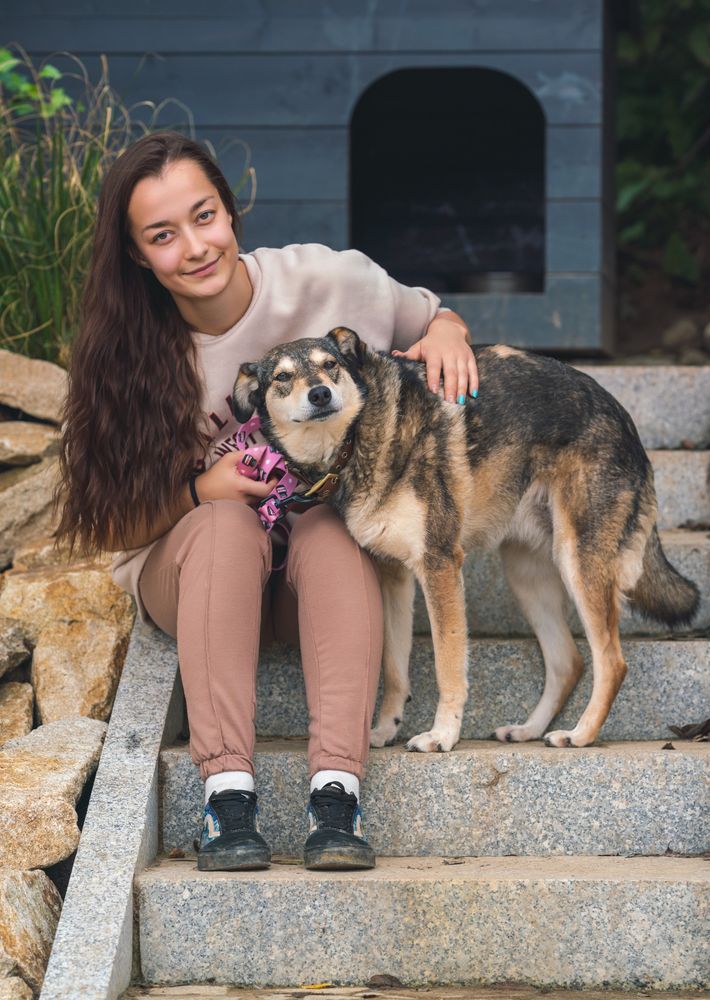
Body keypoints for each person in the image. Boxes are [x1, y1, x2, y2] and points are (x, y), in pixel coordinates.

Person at [54, 131, 478, 872]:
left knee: (332, 521)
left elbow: (429, 316)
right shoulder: (121, 355)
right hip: (191, 574)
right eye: (162, 235)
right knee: (223, 523)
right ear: (135, 255)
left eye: (205, 215)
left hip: (308, 577)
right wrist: (197, 488)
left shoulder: (324, 280)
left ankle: (338, 794)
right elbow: (110, 526)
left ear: (230, 210)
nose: (194, 246)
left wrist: (449, 332)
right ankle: (225, 799)